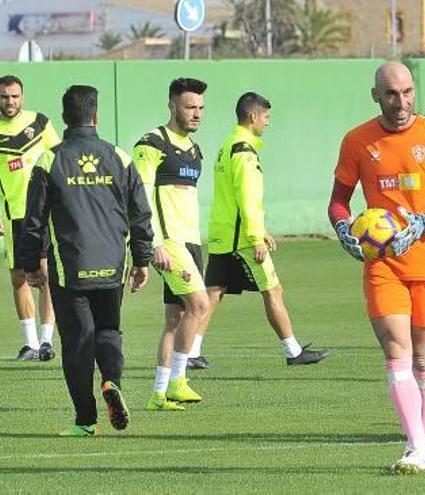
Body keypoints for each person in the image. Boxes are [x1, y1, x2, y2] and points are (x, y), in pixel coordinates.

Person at [328, 62, 425, 474]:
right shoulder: (357, 140)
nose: (402, 102)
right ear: (376, 96)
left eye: (408, 92)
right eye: (392, 94)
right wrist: (343, 226)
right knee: (396, 351)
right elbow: (339, 199)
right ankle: (418, 449)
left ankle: (418, 447)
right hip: (383, 263)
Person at [21, 84, 152, 436]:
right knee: (109, 329)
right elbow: (140, 214)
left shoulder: (50, 159)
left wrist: (29, 263)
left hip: (70, 266)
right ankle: (111, 381)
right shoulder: (120, 157)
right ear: (96, 115)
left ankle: (85, 420)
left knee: (78, 341)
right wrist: (142, 259)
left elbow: (32, 219)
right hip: (112, 263)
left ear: (65, 118)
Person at [201, 92, 330, 368]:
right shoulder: (245, 151)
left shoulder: (227, 145)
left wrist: (261, 229)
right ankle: (293, 351)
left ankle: (190, 352)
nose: (268, 123)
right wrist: (255, 235)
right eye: (266, 117)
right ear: (253, 117)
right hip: (242, 239)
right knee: (273, 290)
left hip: (223, 233)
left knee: (213, 292)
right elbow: (247, 197)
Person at [135, 78, 210, 412]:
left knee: (175, 319)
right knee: (200, 305)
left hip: (191, 243)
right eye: (189, 107)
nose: (196, 114)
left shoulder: (195, 150)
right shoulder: (151, 144)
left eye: (200, 108)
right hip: (169, 243)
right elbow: (139, 197)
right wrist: (153, 244)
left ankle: (157, 394)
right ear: (172, 106)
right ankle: (179, 380)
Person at [0, 75, 60, 361]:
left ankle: (47, 341)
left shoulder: (40, 123)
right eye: (4, 96)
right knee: (19, 278)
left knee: (47, 276)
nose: (9, 101)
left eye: (14, 96)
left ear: (22, 97)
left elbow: (58, 161)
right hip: (13, 216)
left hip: (43, 213)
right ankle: (30, 344)